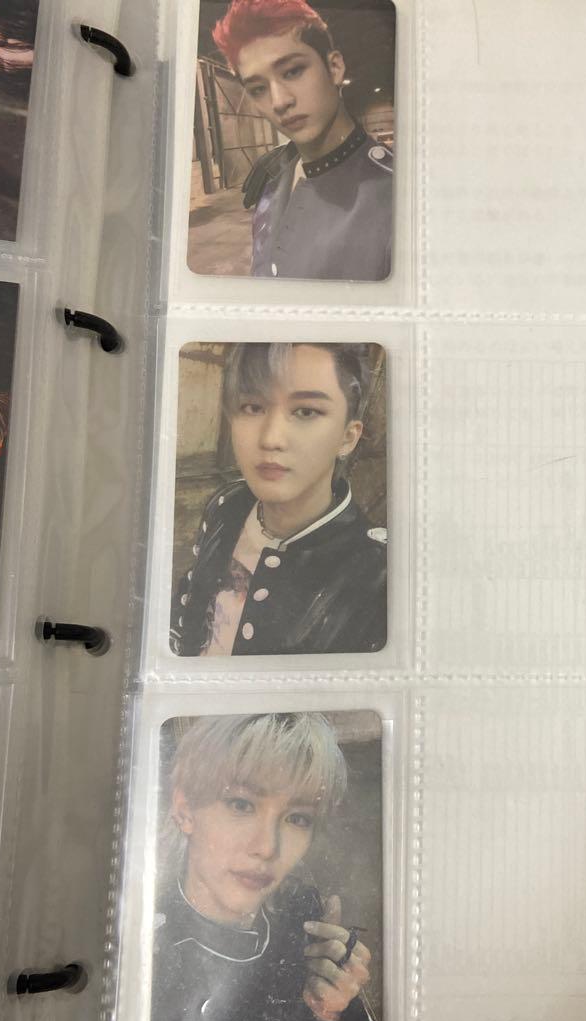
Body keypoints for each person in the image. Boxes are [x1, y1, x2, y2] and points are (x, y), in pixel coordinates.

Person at [150, 712, 382, 1021]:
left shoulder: (302, 914)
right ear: (185, 810)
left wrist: (335, 1015)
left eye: (297, 818)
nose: (267, 847)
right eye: (241, 805)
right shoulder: (142, 945)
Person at [170, 341, 387, 656]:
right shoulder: (229, 505)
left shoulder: (376, 572)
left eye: (306, 411)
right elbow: (189, 612)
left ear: (348, 436)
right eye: (253, 407)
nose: (271, 438)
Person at [211, 0, 393, 281]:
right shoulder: (273, 181)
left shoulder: (396, 198)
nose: (279, 101)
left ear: (334, 67)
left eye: (293, 71)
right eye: (258, 89)